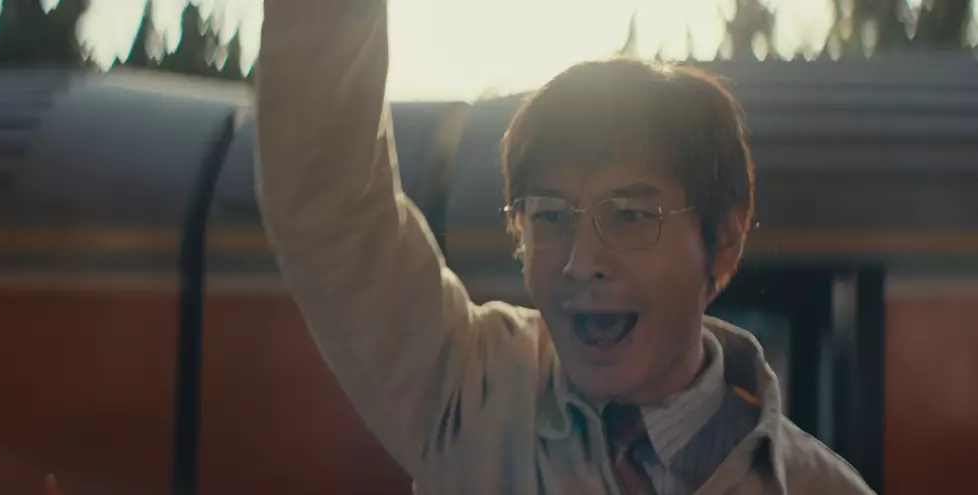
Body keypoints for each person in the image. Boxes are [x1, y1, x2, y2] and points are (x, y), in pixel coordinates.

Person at [255, 1, 875, 493]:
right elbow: (326, 199)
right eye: (549, 216)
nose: (581, 264)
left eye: (630, 216)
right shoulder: (472, 390)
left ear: (726, 242)